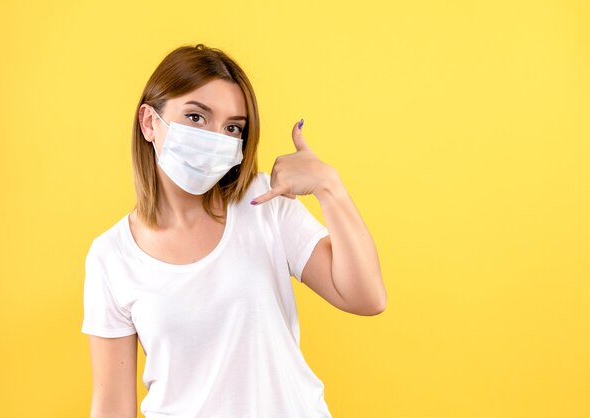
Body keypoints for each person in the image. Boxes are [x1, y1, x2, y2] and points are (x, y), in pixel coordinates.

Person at [81, 44, 386, 418]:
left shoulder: (264, 203)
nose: (215, 137)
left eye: (232, 128)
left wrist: (329, 187)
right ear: (149, 122)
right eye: (196, 117)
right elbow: (112, 406)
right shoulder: (111, 256)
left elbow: (366, 297)